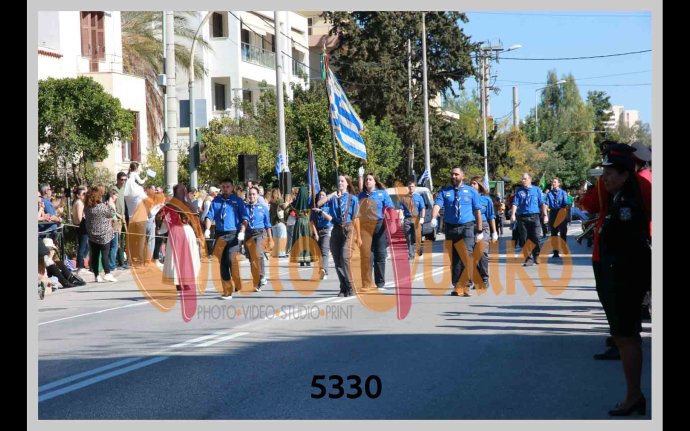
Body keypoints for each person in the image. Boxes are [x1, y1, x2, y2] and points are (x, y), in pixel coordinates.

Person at [595, 146, 651, 416]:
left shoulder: (627, 205)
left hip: (624, 278)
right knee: (623, 336)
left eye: (609, 173)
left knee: (626, 337)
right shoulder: (618, 199)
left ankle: (634, 396)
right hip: (618, 275)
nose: (604, 178)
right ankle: (633, 395)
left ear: (625, 175)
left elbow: (630, 249)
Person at [430, 167, 482, 297]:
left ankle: (466, 285)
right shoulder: (445, 191)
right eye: (452, 174)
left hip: (467, 227)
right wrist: (433, 217)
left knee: (466, 255)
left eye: (456, 174)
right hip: (451, 227)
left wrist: (480, 229)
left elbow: (477, 211)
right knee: (454, 258)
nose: (453, 176)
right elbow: (437, 204)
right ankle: (457, 285)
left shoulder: (471, 191)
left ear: (462, 176)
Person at [318, 175, 360, 297]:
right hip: (336, 229)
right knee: (337, 260)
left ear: (347, 184)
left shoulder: (353, 199)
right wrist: (332, 194)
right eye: (338, 181)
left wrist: (358, 236)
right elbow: (319, 203)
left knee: (344, 257)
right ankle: (343, 287)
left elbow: (356, 218)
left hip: (349, 228)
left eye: (342, 181)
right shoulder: (333, 199)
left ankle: (351, 285)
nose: (340, 183)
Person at [203, 178, 246, 299]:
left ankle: (237, 280)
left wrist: (242, 232)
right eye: (223, 187)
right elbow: (209, 216)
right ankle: (227, 291)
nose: (225, 189)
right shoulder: (216, 201)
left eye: (228, 187)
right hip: (220, 234)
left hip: (234, 234)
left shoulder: (238, 201)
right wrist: (207, 229)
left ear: (232, 188)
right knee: (223, 262)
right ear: (221, 188)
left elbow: (244, 218)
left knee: (231, 260)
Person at [357, 172, 395, 291]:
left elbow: (390, 207)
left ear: (375, 182)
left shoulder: (382, 194)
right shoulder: (361, 195)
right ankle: (366, 283)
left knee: (380, 254)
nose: (368, 181)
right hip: (365, 226)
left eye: (370, 179)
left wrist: (392, 220)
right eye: (366, 179)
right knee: (366, 255)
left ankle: (380, 283)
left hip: (379, 225)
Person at [160, 189, 201, 292]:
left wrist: (163, 229)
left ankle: (178, 281)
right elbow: (195, 221)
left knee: (176, 257)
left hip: (175, 232)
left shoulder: (169, 206)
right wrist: (198, 235)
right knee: (187, 256)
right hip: (187, 231)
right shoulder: (189, 205)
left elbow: (162, 219)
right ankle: (185, 281)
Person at [510, 173, 548, 266]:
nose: (523, 180)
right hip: (522, 217)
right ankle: (528, 259)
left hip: (534, 216)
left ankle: (537, 255)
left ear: (530, 179)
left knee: (536, 237)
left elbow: (542, 203)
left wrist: (545, 215)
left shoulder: (536, 190)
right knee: (524, 239)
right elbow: (515, 203)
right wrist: (513, 214)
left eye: (525, 179)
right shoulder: (519, 191)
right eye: (522, 179)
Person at [469, 176, 498, 290]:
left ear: (479, 185)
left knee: (482, 252)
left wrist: (494, 232)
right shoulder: (467, 197)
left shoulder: (486, 199)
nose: (472, 186)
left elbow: (491, 216)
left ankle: (484, 278)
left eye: (474, 183)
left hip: (484, 226)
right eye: (471, 183)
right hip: (470, 226)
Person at [242, 186, 273, 291]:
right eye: (250, 194)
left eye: (254, 194)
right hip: (248, 234)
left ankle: (260, 277)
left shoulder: (263, 208)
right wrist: (242, 232)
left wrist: (270, 238)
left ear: (258, 195)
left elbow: (267, 224)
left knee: (258, 255)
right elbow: (244, 220)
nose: (252, 196)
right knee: (252, 258)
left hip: (260, 233)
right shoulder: (246, 208)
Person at [84, 185, 117, 282]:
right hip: (104, 234)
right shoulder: (102, 207)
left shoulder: (87, 208)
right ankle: (107, 273)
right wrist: (111, 204)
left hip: (92, 234)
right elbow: (112, 214)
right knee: (105, 254)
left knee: (95, 255)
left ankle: (96, 275)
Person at [398, 179, 426, 260]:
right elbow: (401, 209)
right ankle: (411, 254)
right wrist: (401, 218)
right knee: (409, 237)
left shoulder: (419, 197)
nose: (411, 188)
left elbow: (422, 208)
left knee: (417, 235)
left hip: (416, 218)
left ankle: (419, 248)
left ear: (415, 187)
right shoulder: (404, 198)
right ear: (408, 187)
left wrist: (422, 218)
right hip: (407, 219)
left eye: (412, 186)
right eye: (409, 186)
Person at [311, 189, 334, 280]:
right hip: (317, 231)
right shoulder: (314, 207)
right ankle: (322, 269)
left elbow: (330, 219)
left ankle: (323, 270)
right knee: (319, 253)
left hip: (326, 231)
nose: (321, 197)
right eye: (320, 195)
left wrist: (321, 211)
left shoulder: (329, 207)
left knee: (324, 251)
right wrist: (315, 234)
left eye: (323, 195)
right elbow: (312, 222)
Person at [289, 186, 314, 266]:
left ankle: (301, 260)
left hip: (299, 222)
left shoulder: (295, 202)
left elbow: (289, 208)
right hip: (306, 222)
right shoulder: (308, 202)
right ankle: (308, 259)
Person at [545, 178, 569, 258]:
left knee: (563, 232)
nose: (553, 183)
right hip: (553, 212)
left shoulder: (563, 192)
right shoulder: (549, 194)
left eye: (555, 182)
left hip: (561, 211)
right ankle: (555, 252)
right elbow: (547, 204)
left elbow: (565, 203)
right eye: (552, 182)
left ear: (559, 183)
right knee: (554, 233)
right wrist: (545, 214)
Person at [71, 185, 89, 274]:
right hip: (81, 226)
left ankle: (81, 265)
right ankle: (80, 267)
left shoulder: (77, 202)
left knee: (85, 246)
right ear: (78, 195)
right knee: (82, 247)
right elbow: (79, 218)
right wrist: (84, 218)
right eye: (83, 194)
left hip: (80, 226)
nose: (85, 195)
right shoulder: (79, 203)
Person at [268, 187, 289, 258]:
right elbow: (284, 208)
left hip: (273, 222)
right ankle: (282, 253)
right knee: (282, 237)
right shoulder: (280, 200)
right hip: (280, 221)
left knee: (276, 238)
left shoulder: (271, 201)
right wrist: (287, 203)